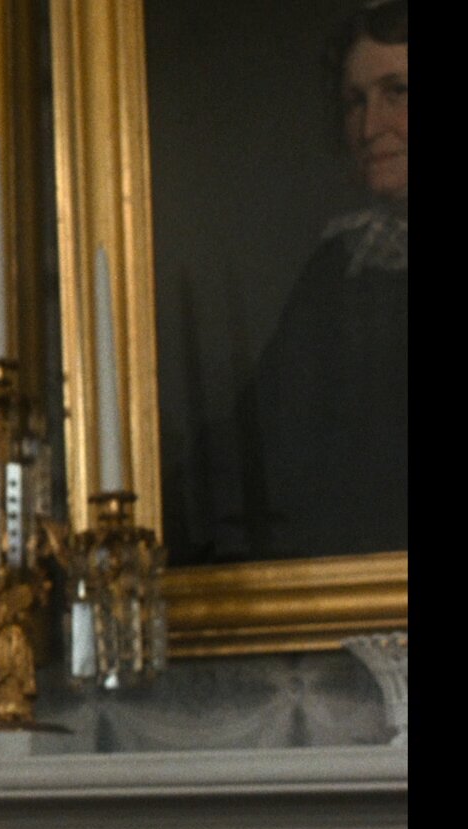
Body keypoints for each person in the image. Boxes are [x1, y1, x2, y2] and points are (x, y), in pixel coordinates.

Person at [248, 0, 407, 558]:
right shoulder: (338, 269)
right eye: (355, 102)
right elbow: (274, 449)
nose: (369, 128)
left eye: (398, 93)